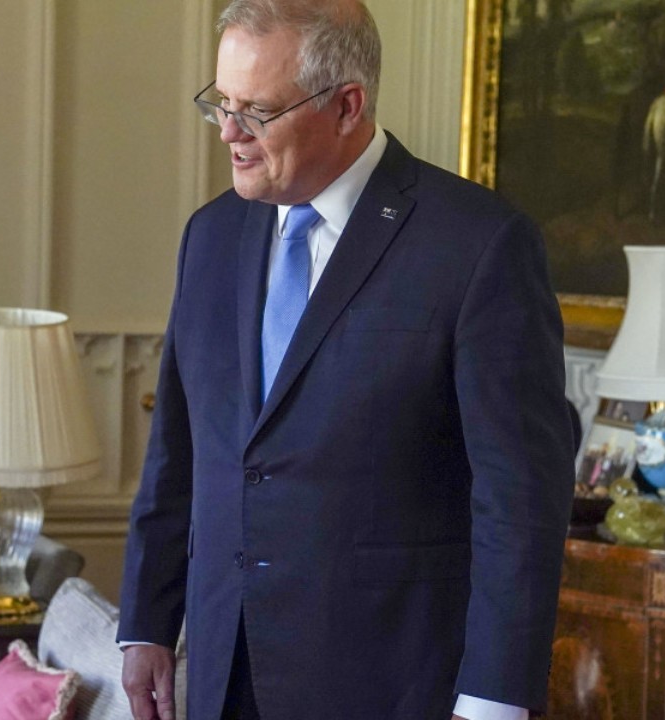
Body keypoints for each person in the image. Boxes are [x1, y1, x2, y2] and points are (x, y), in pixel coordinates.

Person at [117, 2, 575, 719]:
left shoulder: (479, 244)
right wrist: (146, 622)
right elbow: (178, 451)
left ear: (346, 106)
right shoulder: (210, 236)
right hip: (222, 671)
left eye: (257, 111)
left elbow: (519, 499)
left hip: (392, 682)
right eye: (221, 104)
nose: (229, 132)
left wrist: (494, 699)